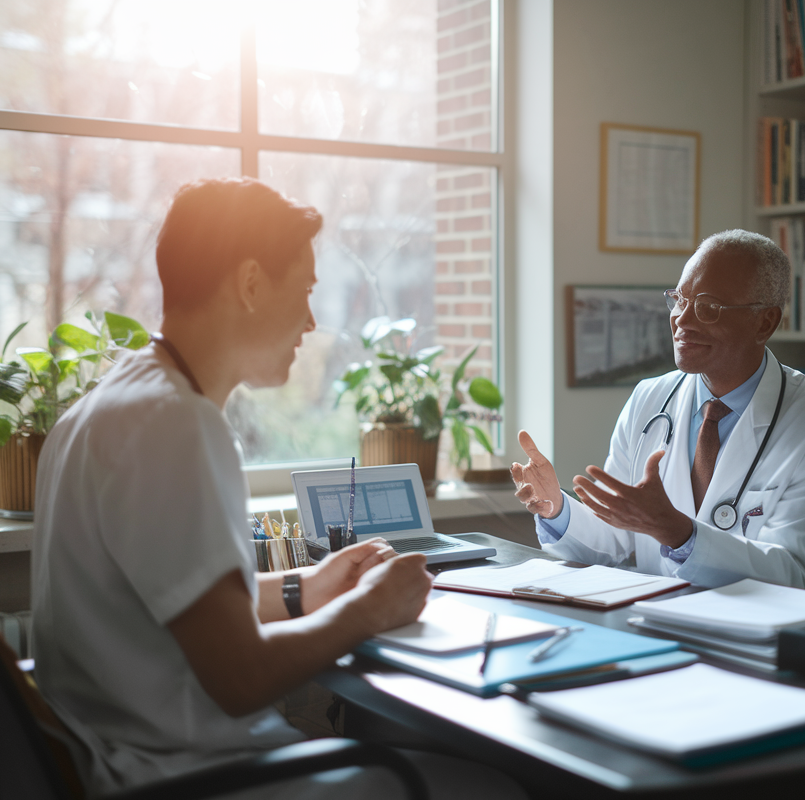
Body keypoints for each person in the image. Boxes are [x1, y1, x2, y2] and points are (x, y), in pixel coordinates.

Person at [30, 178, 525, 799]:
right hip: (194, 778)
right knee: (496, 786)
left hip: (126, 758)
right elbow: (240, 675)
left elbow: (176, 601)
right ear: (252, 283)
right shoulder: (177, 427)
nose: (313, 320)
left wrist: (307, 587)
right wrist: (368, 610)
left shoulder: (110, 406)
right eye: (308, 290)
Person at [511, 230, 805, 593]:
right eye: (679, 299)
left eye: (707, 307)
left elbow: (794, 572)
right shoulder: (649, 398)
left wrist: (678, 533)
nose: (681, 319)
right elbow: (616, 540)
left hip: (776, 635)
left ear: (765, 322)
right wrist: (556, 509)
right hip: (665, 621)